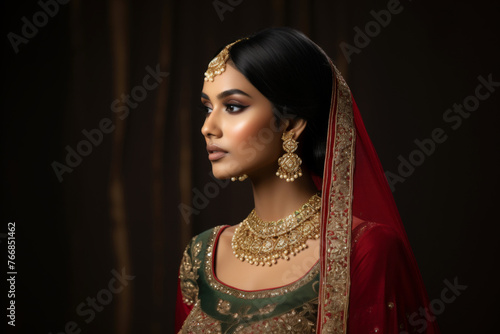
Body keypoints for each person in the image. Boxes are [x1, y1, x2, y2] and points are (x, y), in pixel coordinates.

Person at [175, 27, 440, 333]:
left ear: (291, 124)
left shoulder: (362, 249)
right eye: (207, 108)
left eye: (233, 106)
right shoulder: (201, 255)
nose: (208, 127)